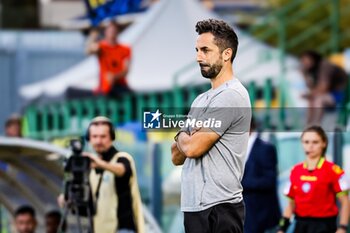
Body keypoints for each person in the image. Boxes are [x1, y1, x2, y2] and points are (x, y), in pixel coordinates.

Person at [171, 19, 251, 233]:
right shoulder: (200, 100)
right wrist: (186, 135)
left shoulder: (231, 95)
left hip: (220, 208)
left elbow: (191, 148)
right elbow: (176, 157)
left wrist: (183, 134)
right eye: (197, 50)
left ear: (226, 54)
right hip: (194, 207)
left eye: (205, 50)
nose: (199, 57)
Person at [58, 116, 144, 233]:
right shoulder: (91, 169)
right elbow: (89, 207)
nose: (98, 141)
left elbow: (122, 170)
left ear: (112, 137)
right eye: (94, 136)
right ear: (89, 138)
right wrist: (69, 200)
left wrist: (100, 164)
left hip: (123, 229)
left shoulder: (122, 158)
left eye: (103, 136)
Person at [278, 125, 349, 233]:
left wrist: (342, 227)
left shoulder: (333, 170)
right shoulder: (295, 171)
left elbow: (345, 202)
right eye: (306, 142)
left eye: (315, 142)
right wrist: (282, 228)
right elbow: (291, 204)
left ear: (323, 143)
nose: (310, 146)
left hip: (324, 226)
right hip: (301, 225)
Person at [241, 119, 281, 233]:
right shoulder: (235, 148)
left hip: (259, 215)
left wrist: (240, 184)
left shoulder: (265, 148)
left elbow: (269, 181)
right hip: (242, 214)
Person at [300, 50, 348, 124]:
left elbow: (324, 87)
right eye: (303, 61)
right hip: (328, 93)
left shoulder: (325, 66)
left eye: (307, 60)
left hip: (341, 93)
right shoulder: (308, 69)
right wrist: (305, 75)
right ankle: (308, 125)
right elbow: (311, 87)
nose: (305, 63)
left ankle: (316, 125)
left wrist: (310, 94)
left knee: (318, 100)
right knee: (311, 99)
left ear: (314, 59)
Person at [86, 21, 132, 98]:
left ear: (118, 32)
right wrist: (93, 36)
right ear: (106, 32)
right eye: (110, 30)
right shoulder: (101, 47)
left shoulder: (125, 49)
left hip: (121, 85)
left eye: (114, 30)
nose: (112, 33)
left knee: (132, 98)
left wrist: (114, 76)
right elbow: (90, 51)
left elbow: (126, 70)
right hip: (106, 88)